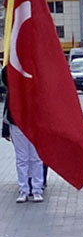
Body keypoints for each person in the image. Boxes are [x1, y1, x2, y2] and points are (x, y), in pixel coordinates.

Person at [3, 71, 44, 203]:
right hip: (17, 125)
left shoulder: (35, 86)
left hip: (34, 125)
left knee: (36, 157)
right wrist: (5, 129)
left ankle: (37, 189)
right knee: (22, 159)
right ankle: (23, 190)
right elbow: (7, 109)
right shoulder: (13, 88)